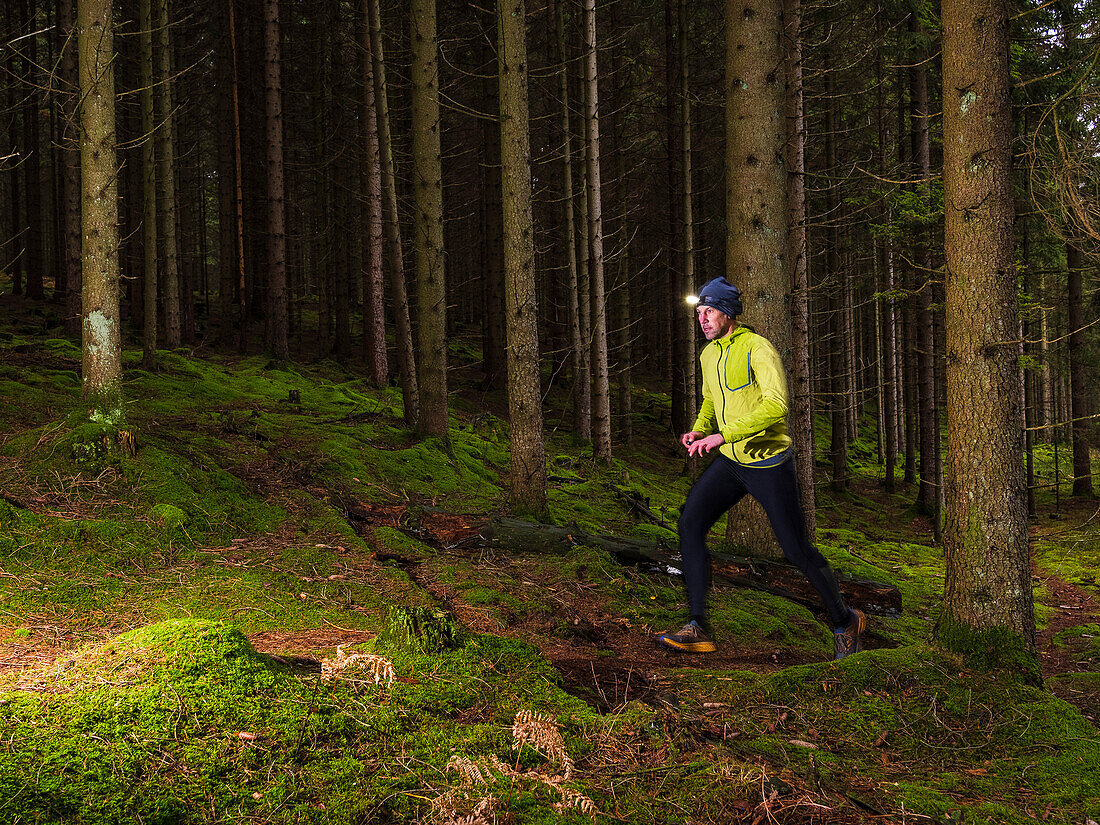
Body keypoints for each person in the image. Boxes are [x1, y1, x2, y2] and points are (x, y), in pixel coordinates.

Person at [657, 276, 866, 660]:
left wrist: (722, 436)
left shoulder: (758, 348)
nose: (702, 320)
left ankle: (845, 620)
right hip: (732, 462)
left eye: (709, 312)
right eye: (699, 313)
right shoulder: (708, 355)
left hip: (768, 463)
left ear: (728, 313)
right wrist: (701, 428)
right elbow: (709, 401)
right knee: (690, 522)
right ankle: (698, 626)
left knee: (795, 549)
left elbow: (776, 405)